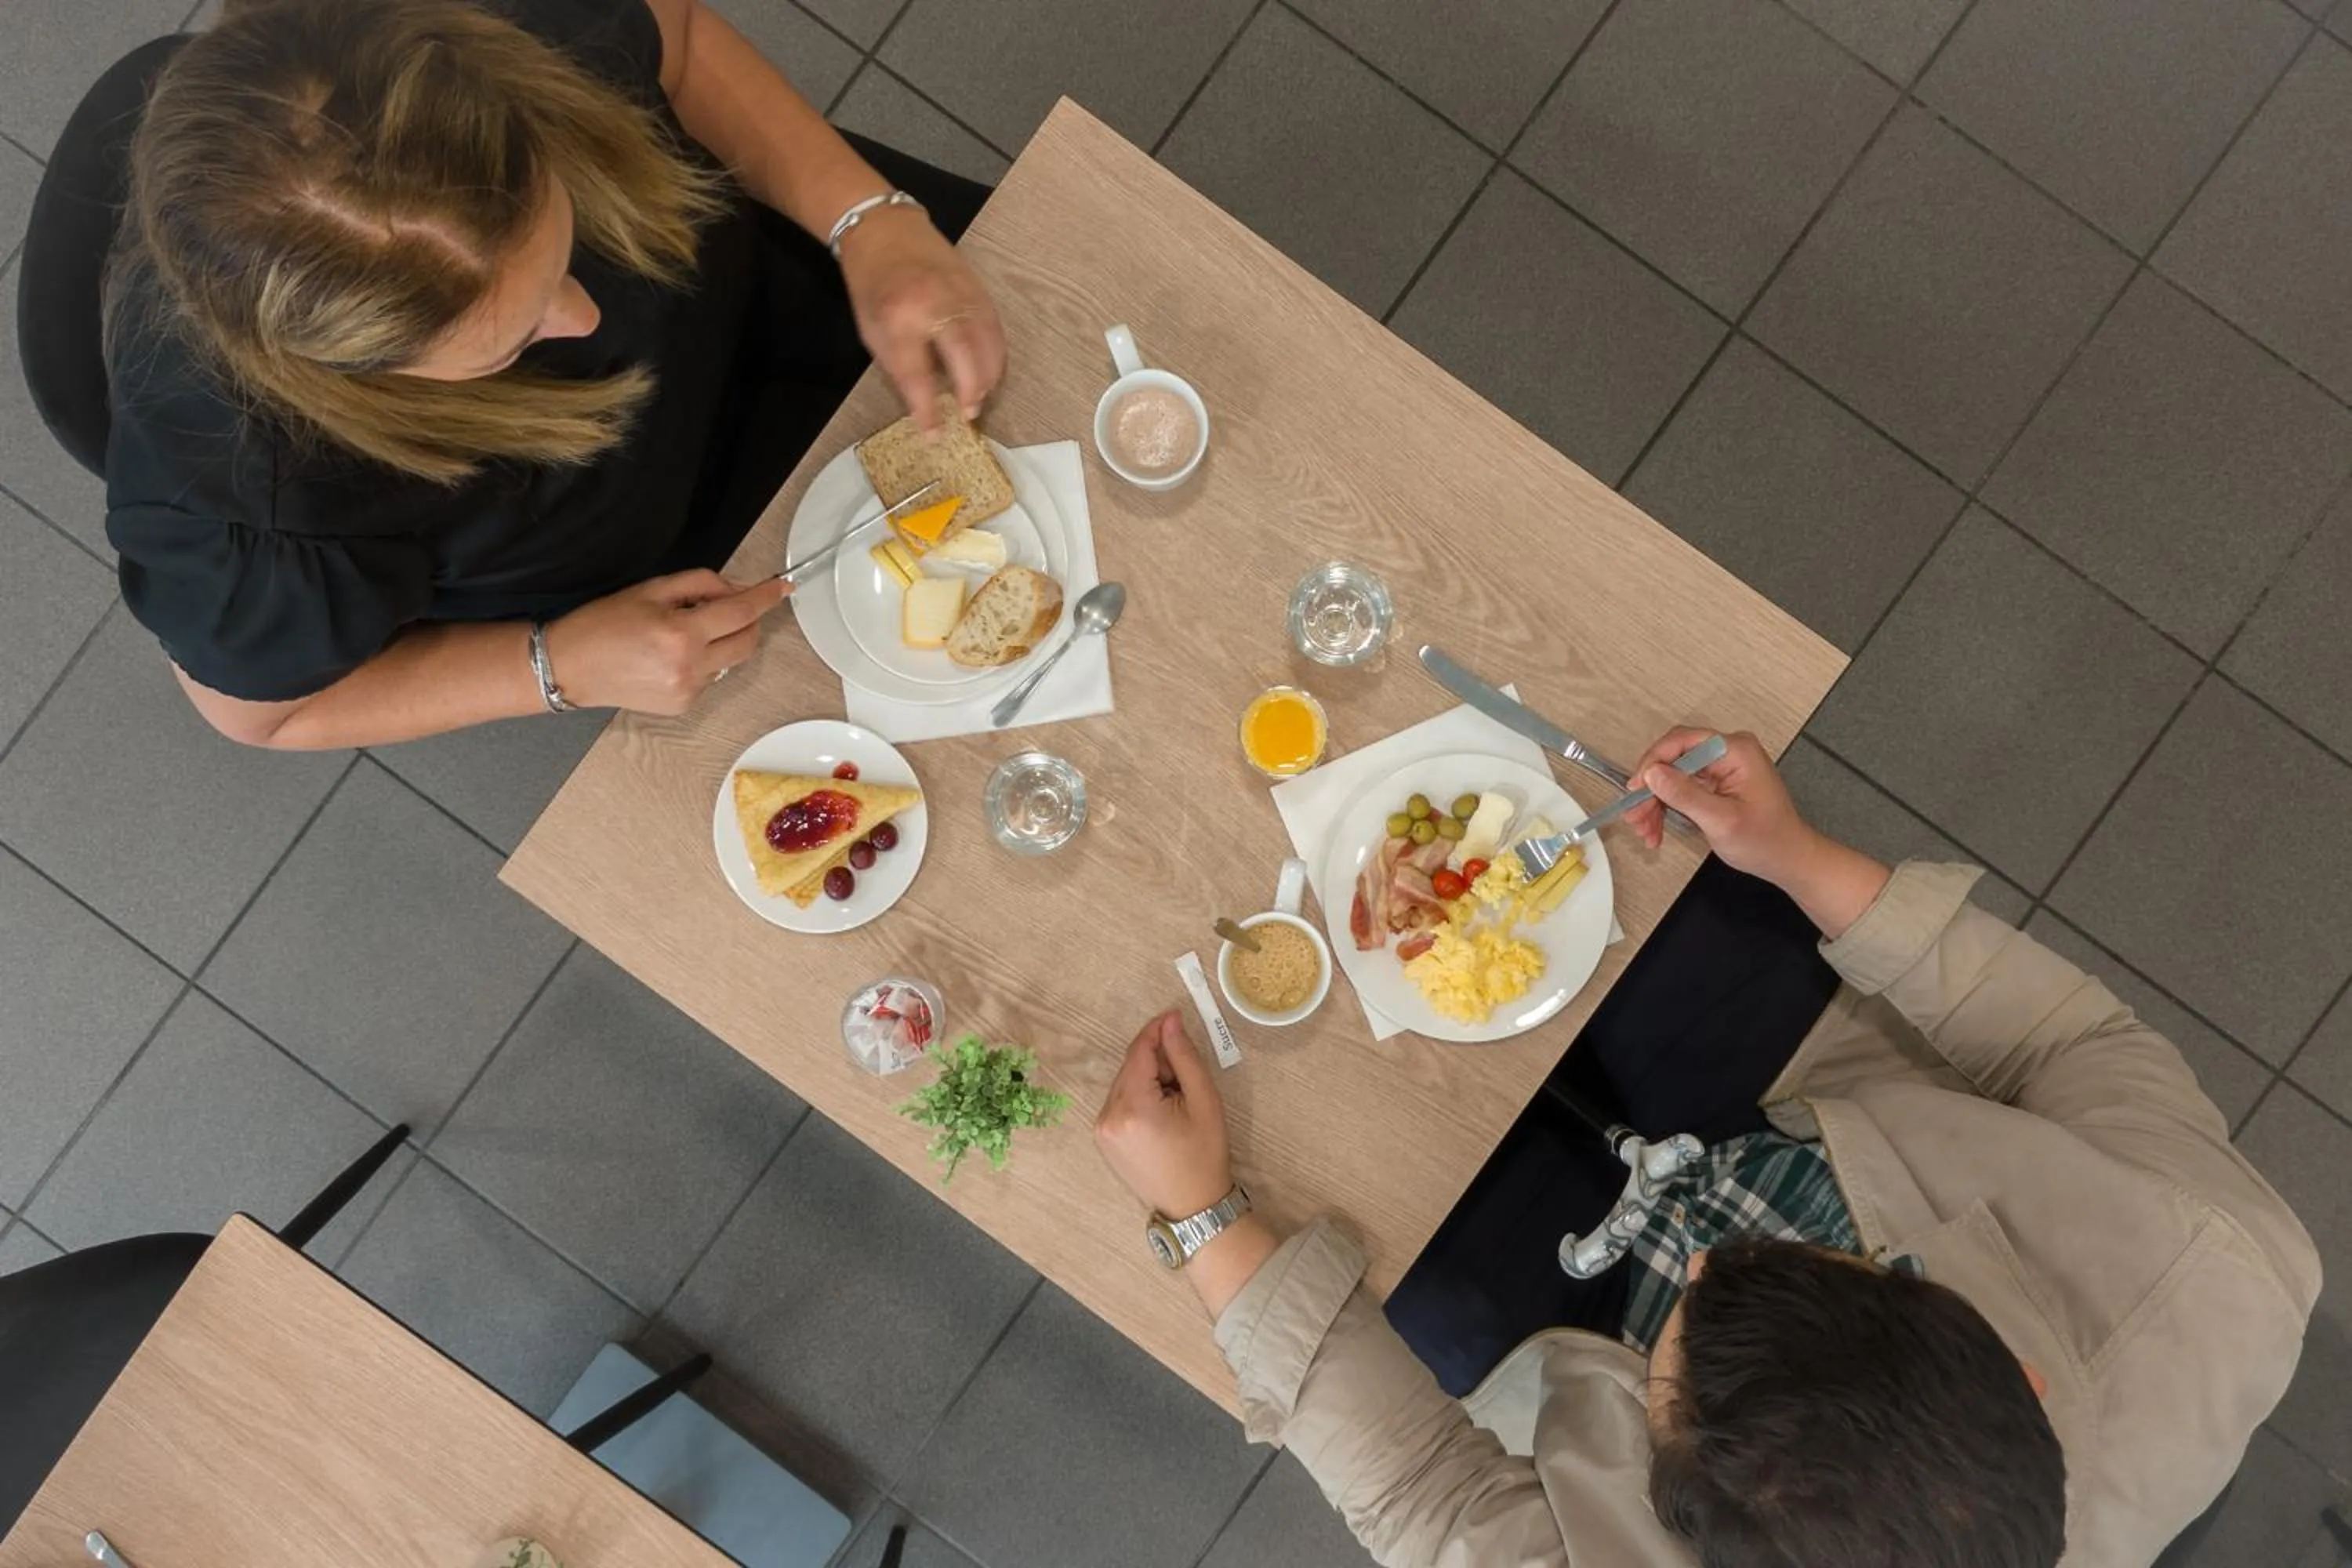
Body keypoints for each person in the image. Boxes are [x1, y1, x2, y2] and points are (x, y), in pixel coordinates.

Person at [1095, 729, 2321, 1568]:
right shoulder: (2230, 1274)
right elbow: (2064, 1040)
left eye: (1672, 1386)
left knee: (1339, 1175)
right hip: (1800, 1087)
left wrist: (1205, 1218)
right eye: (1843, 1272)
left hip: (1569, 1309)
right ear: (2007, 1363)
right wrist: (1796, 851)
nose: (1701, 1263)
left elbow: (1427, 1496)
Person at [93, 0, 1005, 749]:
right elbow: (266, 713)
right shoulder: (249, 504)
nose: (586, 319)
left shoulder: (467, 34)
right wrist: (556, 664)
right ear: (365, 375)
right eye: (516, 339)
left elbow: (673, 42)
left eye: (562, 249)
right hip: (680, 556)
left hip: (793, 276)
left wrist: (867, 220)